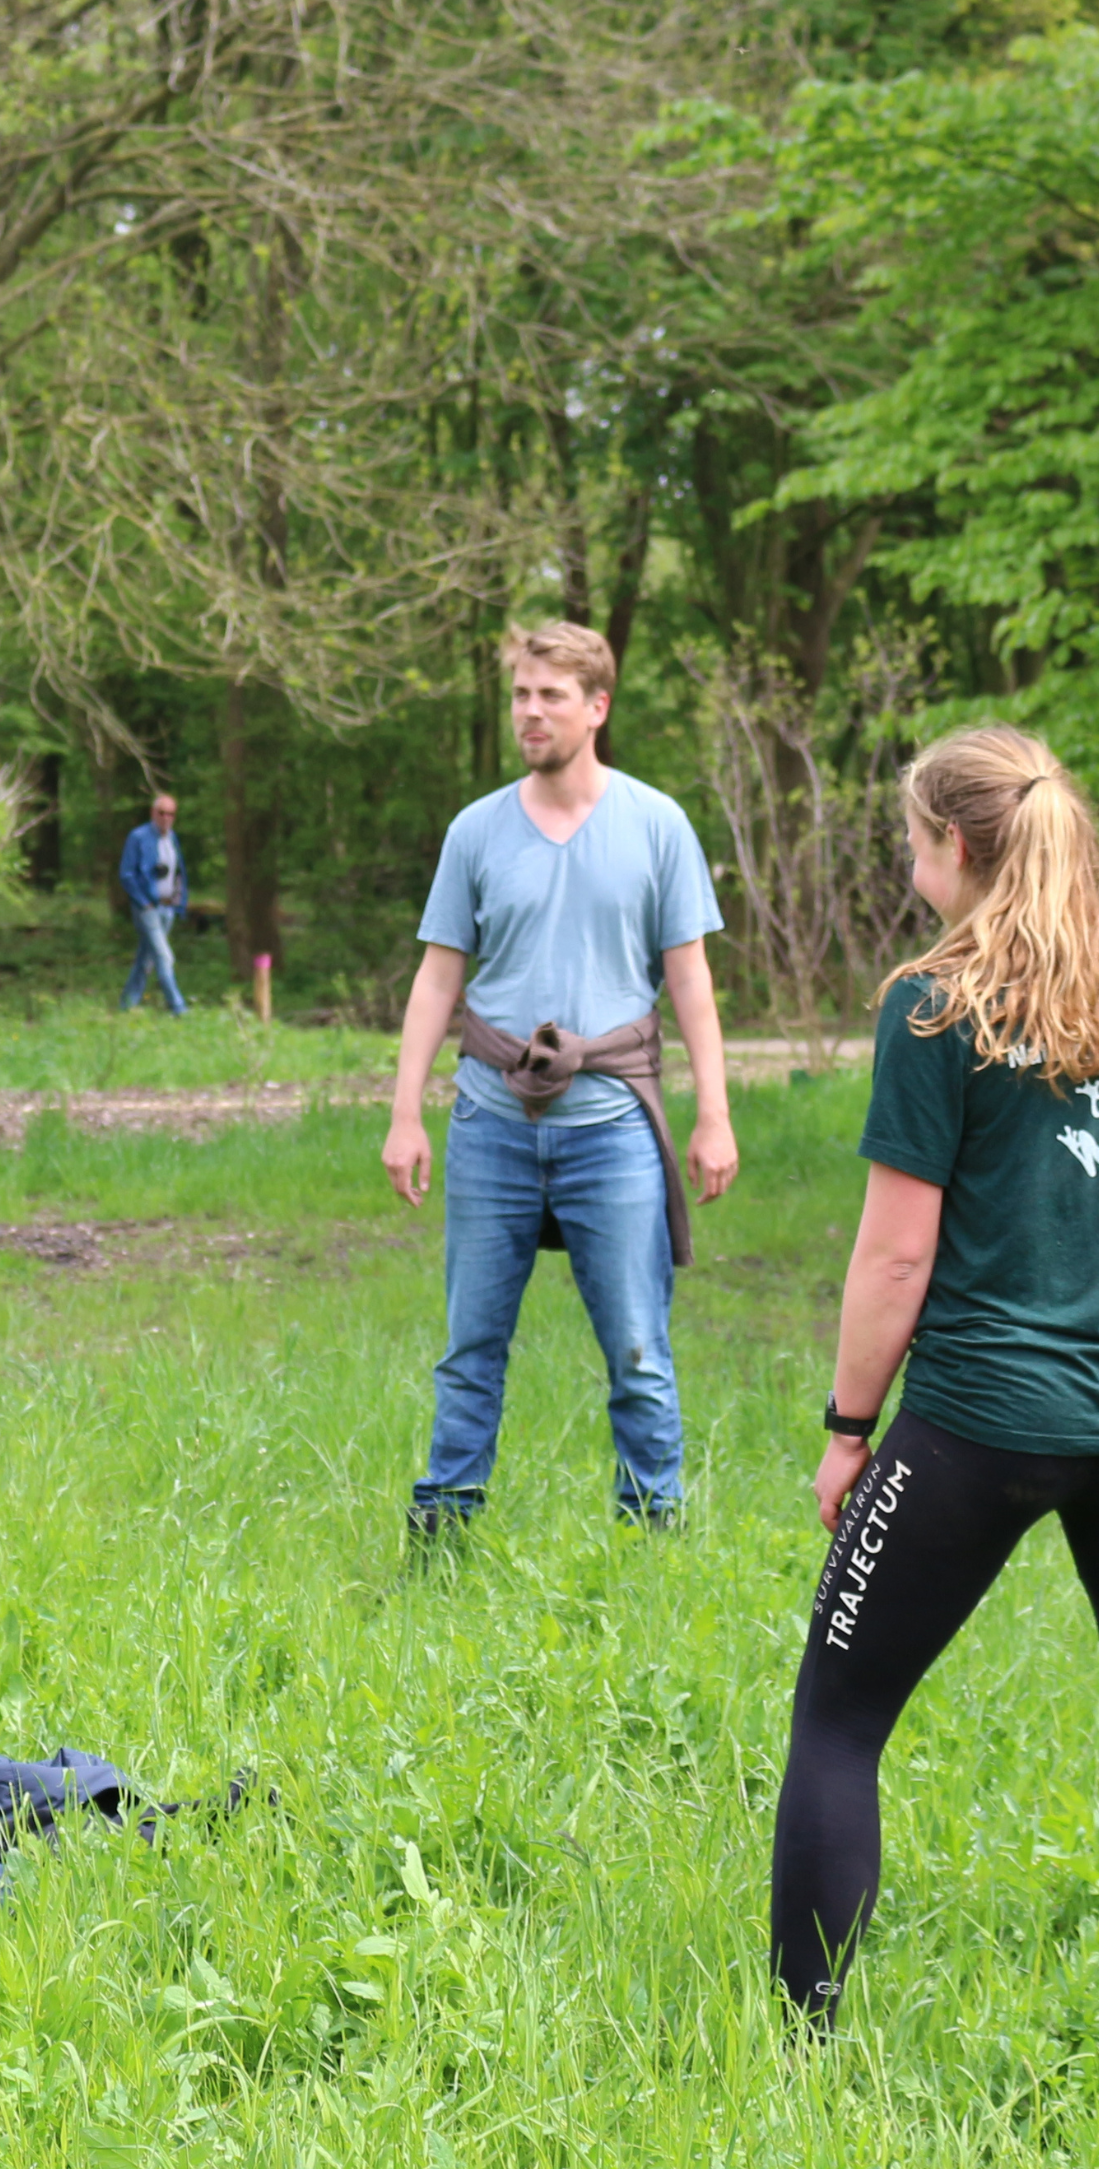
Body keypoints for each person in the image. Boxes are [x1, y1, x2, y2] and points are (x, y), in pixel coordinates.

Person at [769, 727, 1099, 2031]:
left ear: (957, 846)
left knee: (840, 1722)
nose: (912, 873)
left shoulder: (933, 1003)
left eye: (913, 845)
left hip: (972, 1430)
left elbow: (897, 1257)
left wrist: (850, 1430)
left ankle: (801, 2039)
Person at [381, 622, 735, 1533]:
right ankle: (444, 1534)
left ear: (597, 707)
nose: (530, 713)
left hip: (613, 1126)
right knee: (470, 1348)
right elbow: (436, 978)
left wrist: (714, 1116)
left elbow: (690, 980)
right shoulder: (477, 830)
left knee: (639, 1350)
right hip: (492, 1123)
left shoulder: (657, 824)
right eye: (520, 695)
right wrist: (405, 1115)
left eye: (550, 696)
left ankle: (652, 1538)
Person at [116, 792, 190, 1015]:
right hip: (148, 908)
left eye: (171, 814)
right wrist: (143, 902)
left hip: (168, 907)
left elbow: (178, 872)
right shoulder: (138, 837)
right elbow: (126, 874)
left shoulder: (172, 839)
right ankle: (179, 1008)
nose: (166, 818)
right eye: (162, 813)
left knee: (146, 958)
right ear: (153, 813)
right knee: (164, 956)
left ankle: (127, 1005)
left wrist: (180, 899)